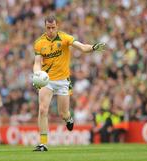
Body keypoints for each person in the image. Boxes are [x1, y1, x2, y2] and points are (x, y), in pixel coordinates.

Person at [32, 15, 106, 151]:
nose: (51, 30)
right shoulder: (39, 43)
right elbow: (37, 63)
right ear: (44, 27)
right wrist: (37, 74)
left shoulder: (65, 38)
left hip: (63, 81)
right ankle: (43, 143)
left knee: (63, 113)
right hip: (46, 80)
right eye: (48, 28)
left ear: (57, 26)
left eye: (53, 27)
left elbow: (83, 48)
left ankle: (68, 119)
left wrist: (94, 47)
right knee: (42, 109)